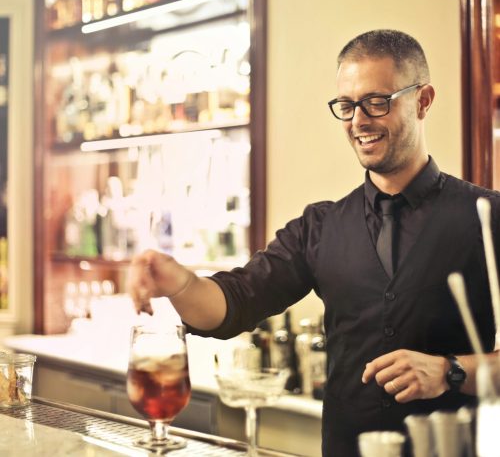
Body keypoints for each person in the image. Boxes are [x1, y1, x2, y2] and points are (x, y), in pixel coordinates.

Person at [129, 29, 500, 456]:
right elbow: (234, 303)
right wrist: (180, 283)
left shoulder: (485, 217)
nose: (359, 120)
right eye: (347, 105)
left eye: (377, 102)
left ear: (423, 100)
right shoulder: (320, 226)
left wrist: (450, 371)